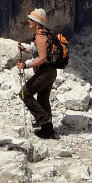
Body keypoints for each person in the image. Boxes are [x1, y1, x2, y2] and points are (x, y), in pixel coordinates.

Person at [15, 7, 58, 139]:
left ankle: (43, 120)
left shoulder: (40, 38)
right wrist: (26, 49)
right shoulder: (45, 35)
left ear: (37, 23)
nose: (29, 21)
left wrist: (26, 65)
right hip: (50, 72)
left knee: (24, 93)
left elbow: (42, 58)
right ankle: (48, 130)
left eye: (31, 20)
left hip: (45, 72)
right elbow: (39, 52)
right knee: (43, 99)